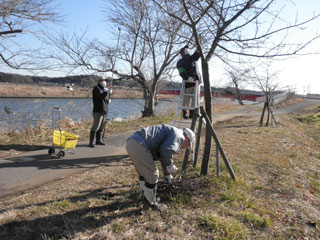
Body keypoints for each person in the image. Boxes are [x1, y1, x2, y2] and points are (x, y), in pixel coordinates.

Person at [126, 124, 195, 211]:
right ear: (187, 139)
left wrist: (167, 174)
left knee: (144, 175)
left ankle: (146, 199)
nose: (184, 148)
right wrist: (171, 165)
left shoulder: (173, 133)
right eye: (187, 146)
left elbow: (163, 156)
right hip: (140, 144)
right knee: (153, 175)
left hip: (132, 142)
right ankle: (151, 204)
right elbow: (165, 151)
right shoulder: (179, 136)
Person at [176, 45, 202, 119]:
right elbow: (181, 71)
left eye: (188, 50)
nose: (188, 51)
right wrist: (187, 77)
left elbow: (197, 54)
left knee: (195, 99)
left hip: (196, 81)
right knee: (187, 98)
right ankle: (184, 113)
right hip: (188, 81)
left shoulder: (192, 58)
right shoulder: (181, 61)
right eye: (186, 50)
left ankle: (192, 114)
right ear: (182, 52)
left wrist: (198, 48)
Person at [89, 78, 111, 148]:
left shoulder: (105, 89)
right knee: (96, 126)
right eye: (102, 80)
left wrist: (108, 100)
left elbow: (104, 100)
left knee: (102, 126)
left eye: (105, 81)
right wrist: (107, 92)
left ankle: (99, 140)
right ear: (99, 81)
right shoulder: (96, 88)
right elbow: (100, 96)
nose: (104, 82)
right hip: (97, 111)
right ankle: (91, 142)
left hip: (104, 110)